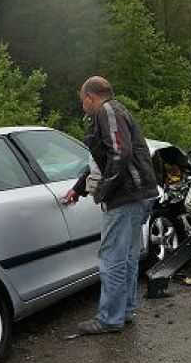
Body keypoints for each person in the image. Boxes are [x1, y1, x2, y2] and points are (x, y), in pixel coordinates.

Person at [62, 76, 159, 334]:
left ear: (90, 98)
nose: (83, 106)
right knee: (126, 256)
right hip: (138, 195)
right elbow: (101, 160)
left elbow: (119, 152)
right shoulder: (117, 110)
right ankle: (124, 311)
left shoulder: (107, 111)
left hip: (126, 196)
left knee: (112, 258)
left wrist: (104, 190)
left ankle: (110, 318)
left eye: (82, 101)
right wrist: (79, 188)